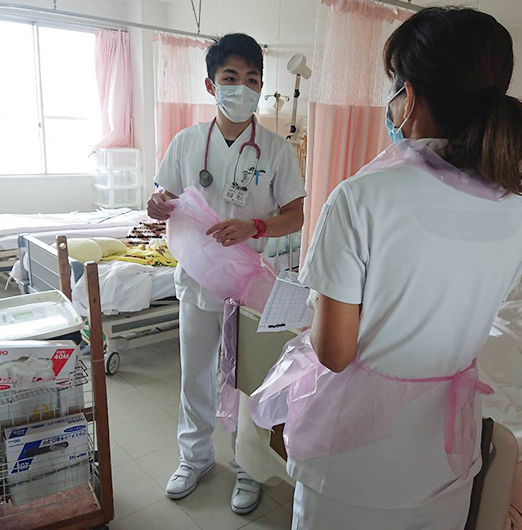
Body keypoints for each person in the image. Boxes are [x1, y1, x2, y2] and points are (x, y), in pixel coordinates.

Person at [290, 7, 522, 529]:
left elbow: (334, 354)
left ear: (409, 95)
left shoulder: (362, 198)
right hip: (445, 457)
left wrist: (318, 305)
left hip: (355, 465)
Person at [147, 33, 305, 514]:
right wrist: (155, 206)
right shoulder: (187, 142)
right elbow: (161, 198)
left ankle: (246, 468)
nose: (243, 88)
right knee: (195, 374)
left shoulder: (277, 150)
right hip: (197, 282)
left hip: (249, 285)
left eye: (252, 79)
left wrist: (255, 225)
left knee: (246, 381)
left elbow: (296, 214)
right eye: (231, 78)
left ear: (261, 86)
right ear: (212, 86)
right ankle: (194, 458)